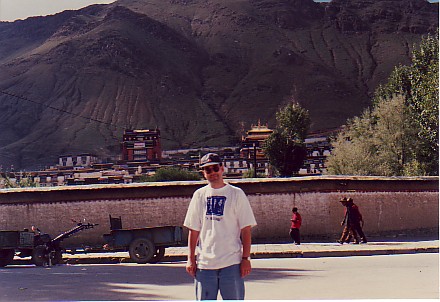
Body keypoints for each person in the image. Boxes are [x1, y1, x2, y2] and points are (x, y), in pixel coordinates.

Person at [184, 153, 257, 300]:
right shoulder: (199, 195)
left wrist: (246, 258)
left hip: (231, 263)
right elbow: (193, 230)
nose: (212, 173)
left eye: (215, 168)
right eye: (208, 170)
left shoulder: (236, 194)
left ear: (222, 169)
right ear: (203, 174)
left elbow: (246, 229)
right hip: (205, 265)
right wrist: (191, 259)